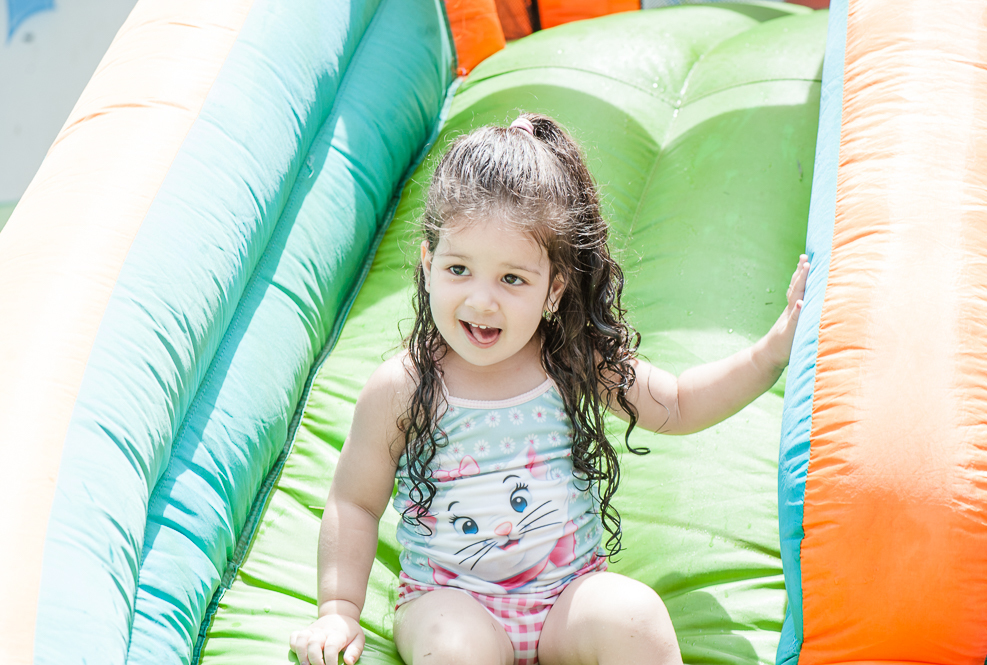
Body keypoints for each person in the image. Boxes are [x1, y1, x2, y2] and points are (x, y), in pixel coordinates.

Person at [289, 113, 809, 665]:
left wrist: (770, 353)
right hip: (451, 602)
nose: (481, 300)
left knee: (634, 614)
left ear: (554, 290)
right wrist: (339, 609)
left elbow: (676, 403)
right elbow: (355, 501)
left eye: (512, 279)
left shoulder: (569, 359)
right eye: (459, 269)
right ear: (428, 262)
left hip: (566, 598)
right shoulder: (404, 386)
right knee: (455, 648)